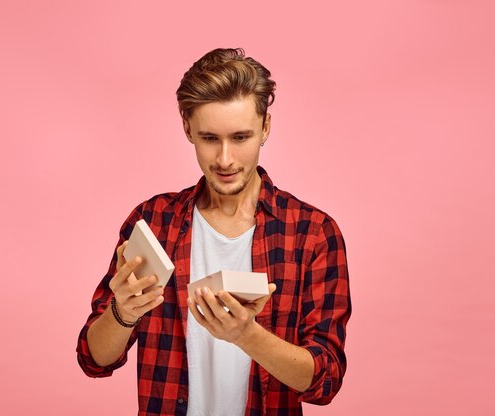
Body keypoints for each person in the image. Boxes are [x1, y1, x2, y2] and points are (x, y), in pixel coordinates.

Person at [77, 48, 351, 416]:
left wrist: (246, 336)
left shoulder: (313, 234)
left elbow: (326, 381)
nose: (224, 159)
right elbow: (94, 359)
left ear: (265, 127)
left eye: (240, 138)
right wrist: (123, 312)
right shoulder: (153, 222)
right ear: (187, 128)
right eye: (209, 138)